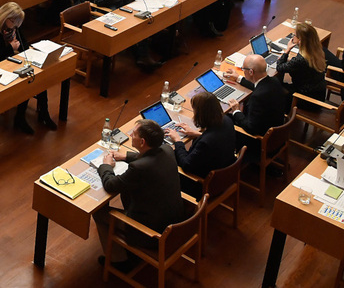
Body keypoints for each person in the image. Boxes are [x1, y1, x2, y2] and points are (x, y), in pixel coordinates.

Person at [94, 120, 183, 269]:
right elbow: (150, 158)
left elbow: (110, 185)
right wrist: (126, 156)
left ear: (142, 142)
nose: (130, 135)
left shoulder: (138, 168)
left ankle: (119, 261)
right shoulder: (167, 150)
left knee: (99, 212)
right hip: (175, 224)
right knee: (127, 191)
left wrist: (106, 166)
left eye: (133, 134)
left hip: (151, 234)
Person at [0, 2, 56, 133]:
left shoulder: (14, 28)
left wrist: (19, 46)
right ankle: (19, 118)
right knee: (26, 80)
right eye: (14, 21)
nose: (16, 25)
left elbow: (24, 45)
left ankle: (44, 113)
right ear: (5, 17)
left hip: (13, 62)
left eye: (18, 23)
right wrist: (10, 48)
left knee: (37, 77)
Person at [163, 91, 237, 196]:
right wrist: (197, 134)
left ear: (201, 113)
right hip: (223, 173)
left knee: (166, 156)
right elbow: (216, 140)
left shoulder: (206, 143)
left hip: (201, 184)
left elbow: (186, 164)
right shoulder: (227, 120)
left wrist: (178, 141)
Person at [225, 54, 288, 136]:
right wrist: (238, 78)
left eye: (243, 69)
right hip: (275, 129)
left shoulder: (257, 97)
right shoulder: (274, 81)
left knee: (225, 119)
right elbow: (258, 86)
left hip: (257, 140)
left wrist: (236, 111)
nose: (243, 70)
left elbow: (251, 128)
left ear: (251, 72)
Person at [274, 21, 327, 100]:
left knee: (272, 87)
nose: (292, 37)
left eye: (294, 35)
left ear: (300, 40)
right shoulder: (317, 51)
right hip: (318, 94)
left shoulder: (301, 59)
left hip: (305, 99)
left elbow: (279, 67)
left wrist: (287, 50)